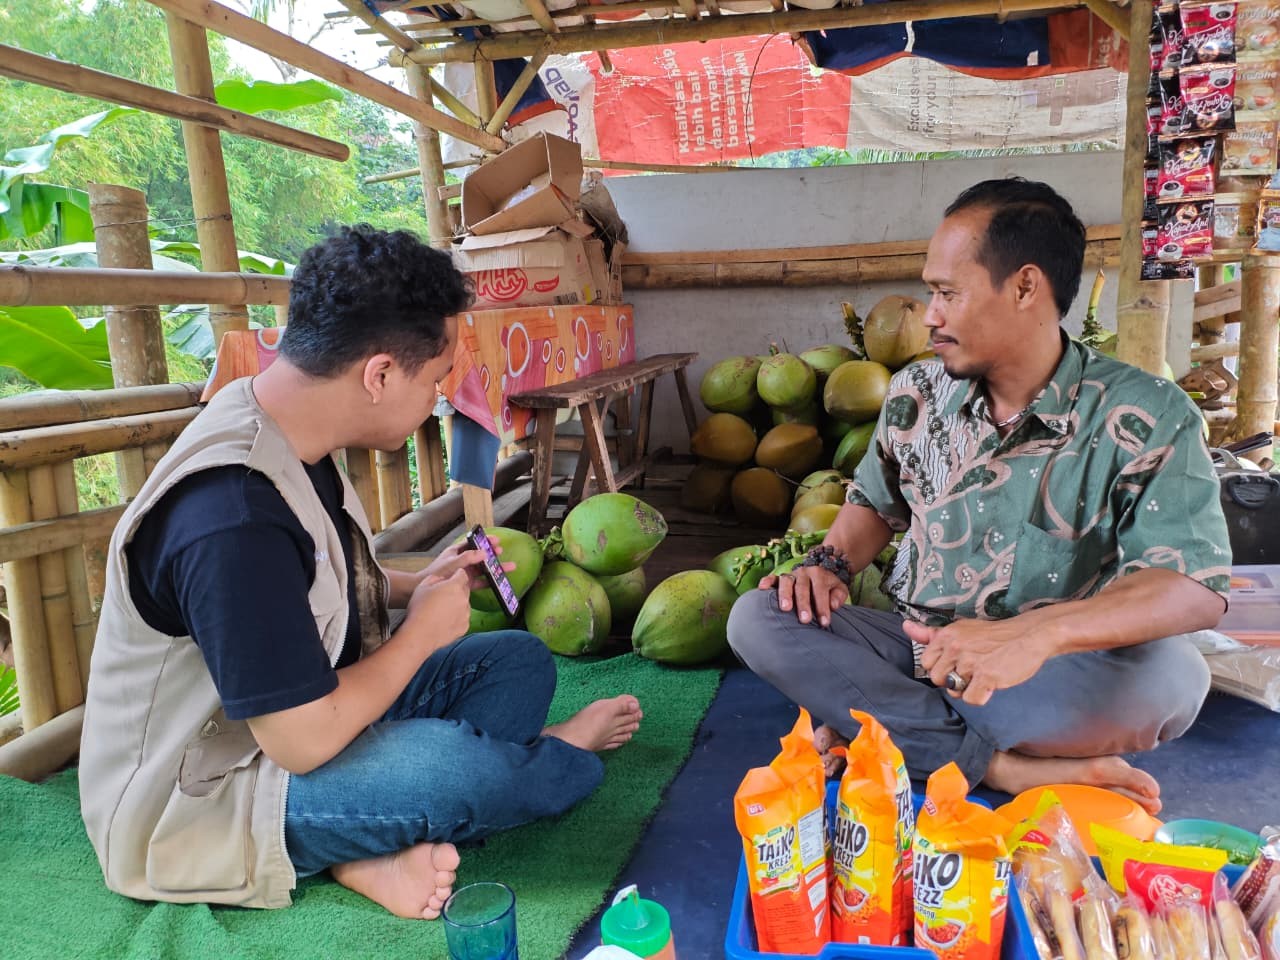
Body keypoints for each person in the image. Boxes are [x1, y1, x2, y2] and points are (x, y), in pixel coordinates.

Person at [80, 224, 642, 918]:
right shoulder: (230, 516)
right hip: (210, 796)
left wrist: (416, 583)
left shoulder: (288, 424)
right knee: (454, 771)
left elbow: (306, 584)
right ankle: (540, 761)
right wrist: (421, 636)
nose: (439, 398)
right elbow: (302, 738)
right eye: (435, 379)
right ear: (379, 374)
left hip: (302, 729)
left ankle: (369, 840)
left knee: (518, 664)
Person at [728, 178, 1230, 815]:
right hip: (919, 651)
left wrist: (1035, 637)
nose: (929, 314)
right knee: (758, 619)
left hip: (1046, 676)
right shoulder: (916, 394)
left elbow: (1190, 586)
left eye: (946, 292)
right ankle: (1003, 765)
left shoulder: (1148, 414)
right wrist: (826, 567)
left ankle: (888, 730)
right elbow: (875, 505)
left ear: (1025, 287)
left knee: (1174, 681)